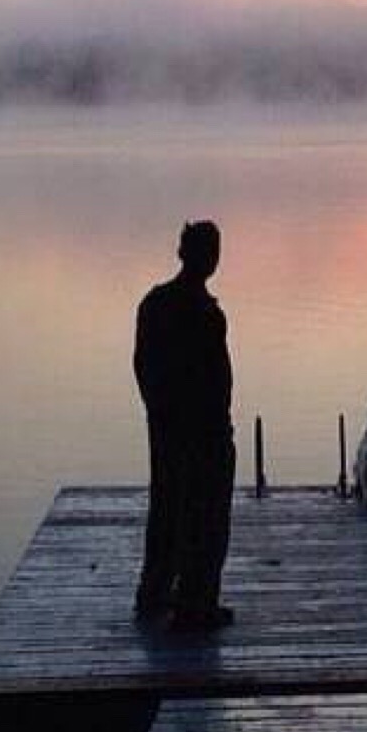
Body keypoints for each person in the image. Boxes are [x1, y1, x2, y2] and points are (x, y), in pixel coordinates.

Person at [133, 220, 236, 631]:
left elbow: (142, 367)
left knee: (167, 510)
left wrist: (157, 413)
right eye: (211, 252)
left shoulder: (154, 303)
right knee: (207, 519)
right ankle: (197, 603)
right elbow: (216, 379)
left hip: (167, 430)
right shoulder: (205, 313)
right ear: (206, 258)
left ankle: (156, 593)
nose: (213, 259)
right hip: (202, 432)